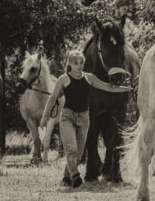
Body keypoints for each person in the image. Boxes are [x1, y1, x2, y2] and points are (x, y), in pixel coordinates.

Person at [41, 50, 130, 188]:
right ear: (69, 64)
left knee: (79, 154)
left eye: (81, 62)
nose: (79, 65)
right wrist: (45, 117)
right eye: (76, 63)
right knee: (71, 149)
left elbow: (108, 87)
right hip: (67, 117)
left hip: (84, 118)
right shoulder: (63, 79)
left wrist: (127, 88)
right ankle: (76, 177)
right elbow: (53, 98)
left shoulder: (89, 78)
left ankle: (66, 177)